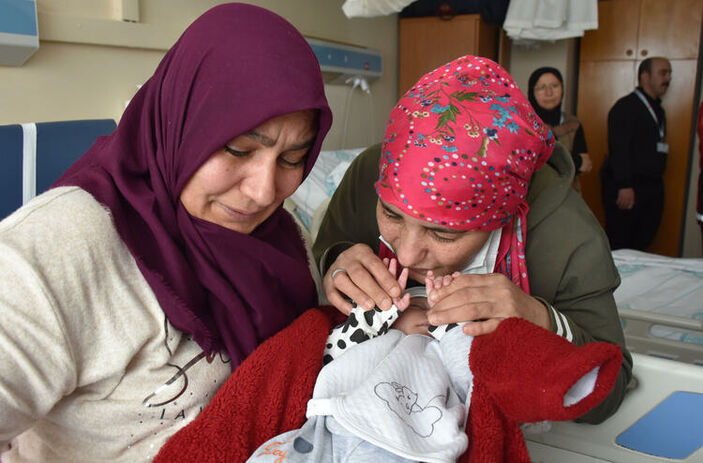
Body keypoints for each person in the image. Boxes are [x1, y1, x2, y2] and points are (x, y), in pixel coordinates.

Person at [0, 3, 332, 461]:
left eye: (293, 158)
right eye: (238, 148)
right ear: (181, 125)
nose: (263, 191)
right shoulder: (57, 249)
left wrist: (337, 269)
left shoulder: (282, 241)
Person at [312, 55, 632, 424]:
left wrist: (539, 319)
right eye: (391, 215)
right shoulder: (372, 171)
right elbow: (329, 247)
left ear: (503, 216)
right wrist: (337, 261)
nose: (407, 251)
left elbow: (610, 390)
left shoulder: (569, 238)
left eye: (443, 232)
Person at [601, 56, 672, 250]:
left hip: (651, 187)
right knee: (621, 242)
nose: (668, 78)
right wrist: (624, 185)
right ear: (645, 77)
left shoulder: (658, 109)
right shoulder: (626, 108)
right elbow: (619, 148)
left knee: (643, 240)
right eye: (663, 73)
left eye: (669, 73)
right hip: (628, 188)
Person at [528, 67, 592, 191]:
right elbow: (529, 165)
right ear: (532, 92)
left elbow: (585, 165)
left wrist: (550, 161)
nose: (549, 92)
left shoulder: (573, 123)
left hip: (568, 195)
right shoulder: (525, 124)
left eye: (555, 86)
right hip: (534, 197)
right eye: (541, 87)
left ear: (562, 89)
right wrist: (574, 162)